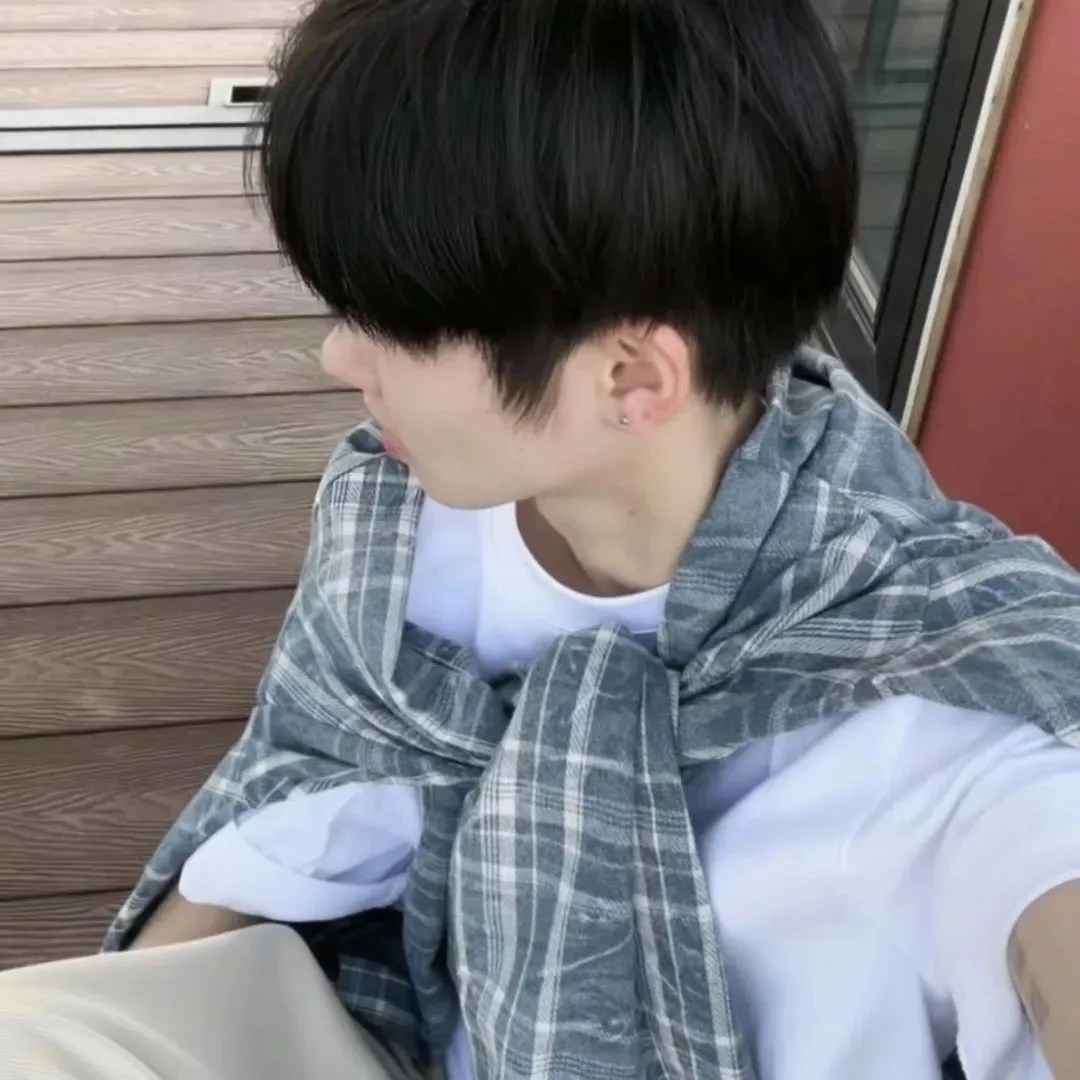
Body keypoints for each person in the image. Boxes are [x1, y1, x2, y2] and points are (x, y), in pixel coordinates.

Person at [3, 1, 1080, 1079]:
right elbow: (310, 785)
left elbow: (1039, 845)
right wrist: (118, 1006)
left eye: (393, 322)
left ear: (630, 379)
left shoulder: (944, 702)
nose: (338, 357)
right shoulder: (403, 528)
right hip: (406, 1021)